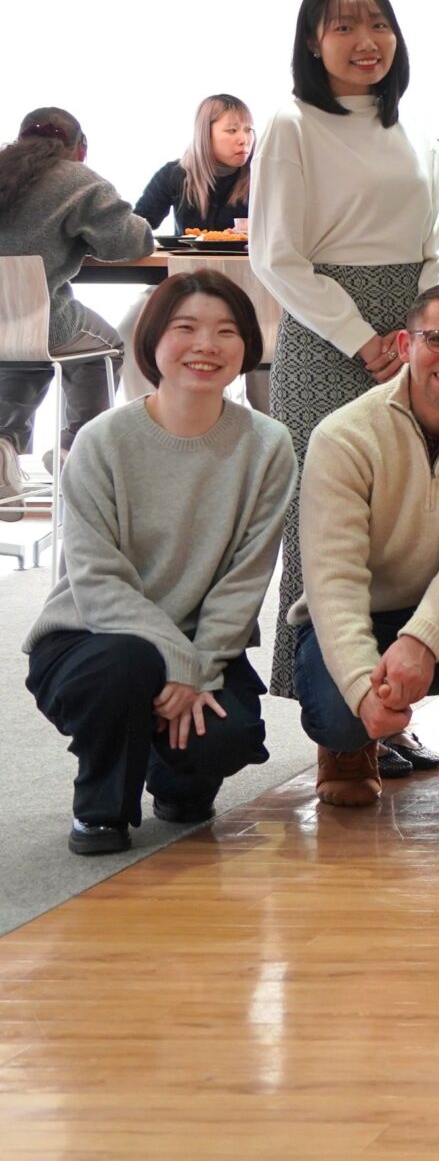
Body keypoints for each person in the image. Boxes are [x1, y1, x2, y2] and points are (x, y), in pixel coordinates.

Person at [22, 272, 295, 854]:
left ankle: (176, 781)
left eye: (226, 331)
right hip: (91, 636)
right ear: (152, 341)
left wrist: (197, 665)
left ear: (248, 344)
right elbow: (97, 580)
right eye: (186, 328)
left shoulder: (269, 444)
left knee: (225, 737)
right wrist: (177, 663)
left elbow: (245, 580)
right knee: (127, 665)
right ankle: (101, 810)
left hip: (201, 642)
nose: (206, 345)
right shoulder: (102, 439)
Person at [248, 0, 439, 711]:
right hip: (326, 339)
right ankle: (337, 715)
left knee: (407, 522)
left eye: (377, 24)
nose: (365, 41)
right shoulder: (291, 123)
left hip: (417, 341)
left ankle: (394, 704)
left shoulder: (413, 128)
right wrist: (365, 340)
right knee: (327, 522)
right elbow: (276, 255)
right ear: (314, 42)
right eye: (343, 27)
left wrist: (420, 336)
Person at [290, 283, 439, 825]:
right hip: (358, 618)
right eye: (438, 339)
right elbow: (333, 581)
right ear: (405, 344)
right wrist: (361, 689)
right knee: (340, 717)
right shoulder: (343, 435)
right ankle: (347, 749)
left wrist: (421, 639)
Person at [0, 108, 155, 513]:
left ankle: (4, 445)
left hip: (7, 324)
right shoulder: (76, 180)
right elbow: (128, 243)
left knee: (23, 350)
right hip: (43, 318)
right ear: (80, 149)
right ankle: (77, 446)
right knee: (107, 345)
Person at [134, 94, 255, 234]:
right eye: (232, 130)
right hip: (186, 250)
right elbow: (137, 228)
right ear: (205, 134)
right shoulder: (174, 174)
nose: (244, 140)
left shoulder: (261, 177)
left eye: (249, 130)